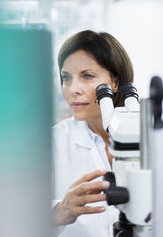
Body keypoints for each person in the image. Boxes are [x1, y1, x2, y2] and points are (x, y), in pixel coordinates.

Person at [52, 30, 134, 237]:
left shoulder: (152, 138)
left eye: (87, 76)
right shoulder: (51, 143)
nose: (72, 89)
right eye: (66, 78)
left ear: (114, 83)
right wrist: (60, 212)